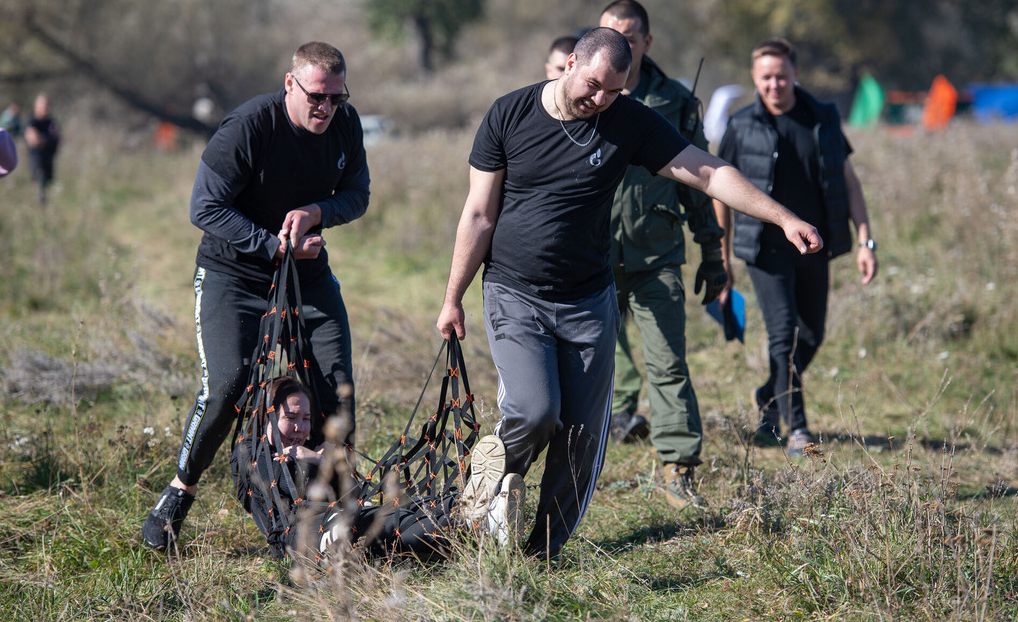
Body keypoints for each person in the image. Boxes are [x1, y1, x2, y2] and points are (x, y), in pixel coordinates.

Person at [436, 28, 823, 559]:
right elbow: (479, 213)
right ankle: (489, 479)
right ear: (569, 63)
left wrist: (782, 216)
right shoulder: (509, 114)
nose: (599, 100)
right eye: (592, 85)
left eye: (613, 91)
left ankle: (541, 555)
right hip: (514, 291)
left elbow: (708, 172)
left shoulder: (628, 120)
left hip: (588, 299)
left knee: (582, 437)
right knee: (534, 409)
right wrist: (453, 295)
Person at [142, 42, 371, 551]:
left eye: (336, 98)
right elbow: (205, 207)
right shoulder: (249, 126)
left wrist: (317, 211)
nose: (326, 108)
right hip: (235, 273)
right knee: (229, 385)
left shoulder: (345, 125)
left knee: (337, 393)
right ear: (290, 84)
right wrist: (272, 245)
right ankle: (179, 492)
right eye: (316, 96)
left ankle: (328, 521)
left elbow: (358, 194)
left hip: (308, 276)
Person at [714, 38, 877, 457]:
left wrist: (865, 241)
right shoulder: (741, 124)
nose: (774, 84)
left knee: (814, 333)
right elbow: (719, 193)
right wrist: (722, 255)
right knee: (783, 335)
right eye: (766, 77)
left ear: (795, 74)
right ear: (754, 78)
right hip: (765, 249)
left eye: (781, 76)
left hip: (815, 248)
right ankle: (799, 429)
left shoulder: (821, 118)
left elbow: (850, 182)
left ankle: (769, 396)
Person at [598, 0, 726, 510]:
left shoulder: (673, 101)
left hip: (657, 255)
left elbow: (700, 182)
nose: (620, 43)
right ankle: (575, 468)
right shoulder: (583, 95)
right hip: (594, 259)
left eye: (630, 36)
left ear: (646, 42)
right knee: (584, 369)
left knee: (668, 364)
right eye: (610, 33)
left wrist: (712, 253)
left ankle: (678, 470)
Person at [231, 378, 524, 559]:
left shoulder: (312, 450)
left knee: (404, 514)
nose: (299, 428)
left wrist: (331, 463)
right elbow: (275, 492)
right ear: (265, 417)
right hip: (304, 539)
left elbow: (355, 493)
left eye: (306, 419)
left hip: (344, 520)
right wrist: (309, 458)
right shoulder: (251, 454)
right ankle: (479, 522)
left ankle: (477, 511)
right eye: (291, 417)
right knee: (381, 525)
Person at [23, 95, 59, 204]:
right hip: (37, 161)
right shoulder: (32, 122)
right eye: (43, 105)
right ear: (36, 106)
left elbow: (56, 138)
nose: (46, 108)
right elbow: (33, 140)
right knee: (39, 189)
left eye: (47, 105)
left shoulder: (50, 123)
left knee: (48, 189)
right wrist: (44, 140)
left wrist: (43, 140)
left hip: (48, 160)